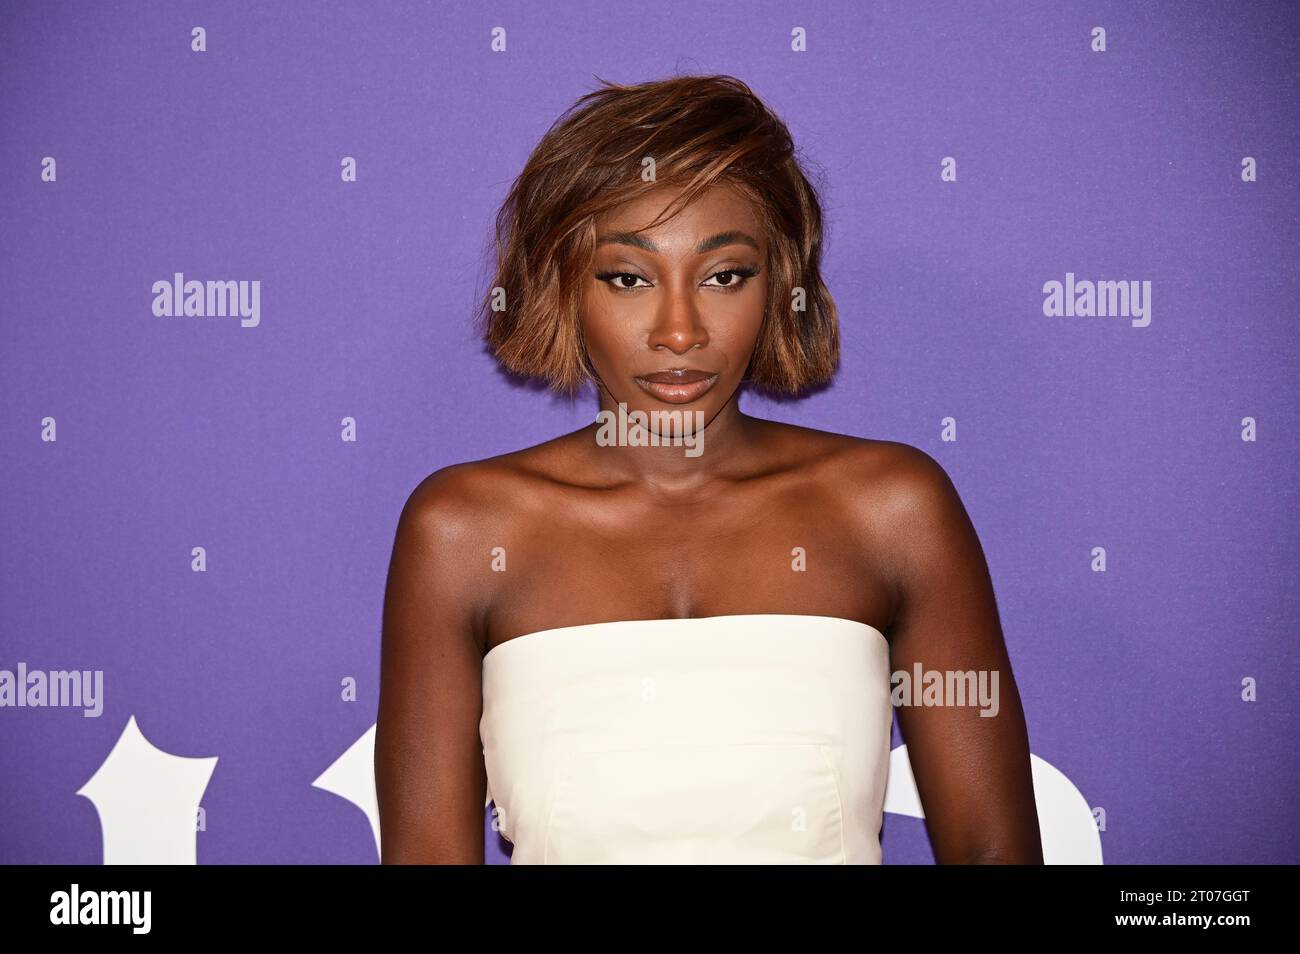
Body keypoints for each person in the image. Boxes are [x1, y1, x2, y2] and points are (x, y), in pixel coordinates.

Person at [375, 74, 1042, 864]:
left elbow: (996, 853)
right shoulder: (463, 530)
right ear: (561, 284)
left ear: (782, 283)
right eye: (628, 277)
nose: (681, 330)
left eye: (725, 275)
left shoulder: (892, 509)